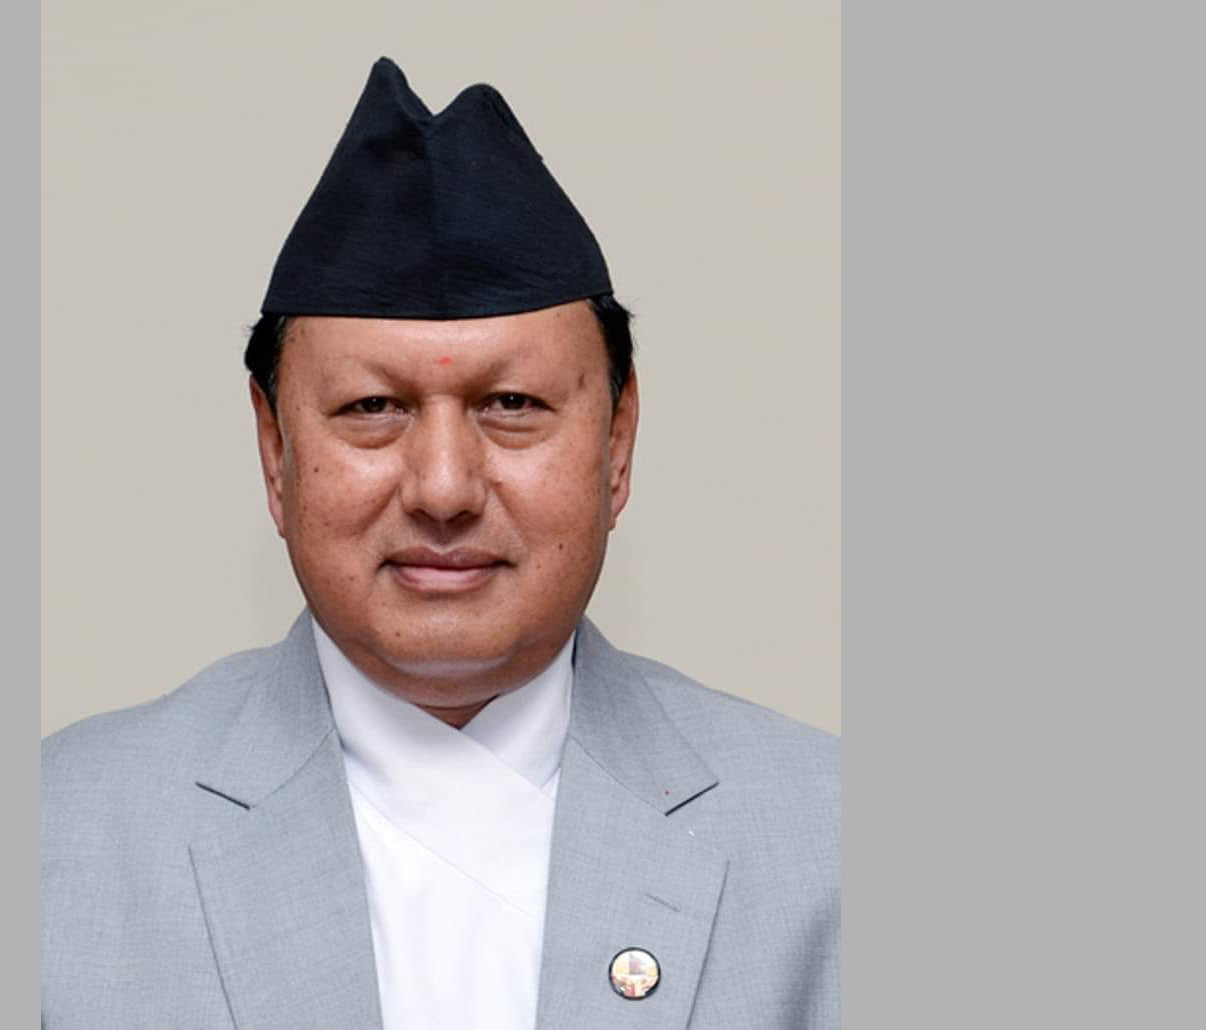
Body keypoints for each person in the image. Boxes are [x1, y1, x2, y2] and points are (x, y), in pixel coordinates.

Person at [42, 57, 839, 1029]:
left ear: (617, 442)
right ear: (276, 451)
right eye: (372, 408)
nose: (445, 489)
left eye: (513, 404)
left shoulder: (830, 837)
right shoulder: (56, 838)